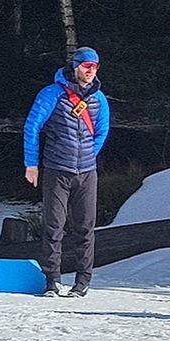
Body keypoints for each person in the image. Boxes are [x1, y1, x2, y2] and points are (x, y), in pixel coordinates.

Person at [23, 46, 111, 297]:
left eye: (95, 67)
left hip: (87, 172)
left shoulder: (99, 98)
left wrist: (88, 155)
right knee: (53, 226)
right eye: (86, 66)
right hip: (56, 169)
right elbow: (32, 127)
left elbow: (102, 131)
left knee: (85, 228)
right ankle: (52, 280)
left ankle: (82, 282)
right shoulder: (51, 94)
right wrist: (31, 164)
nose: (91, 71)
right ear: (75, 67)